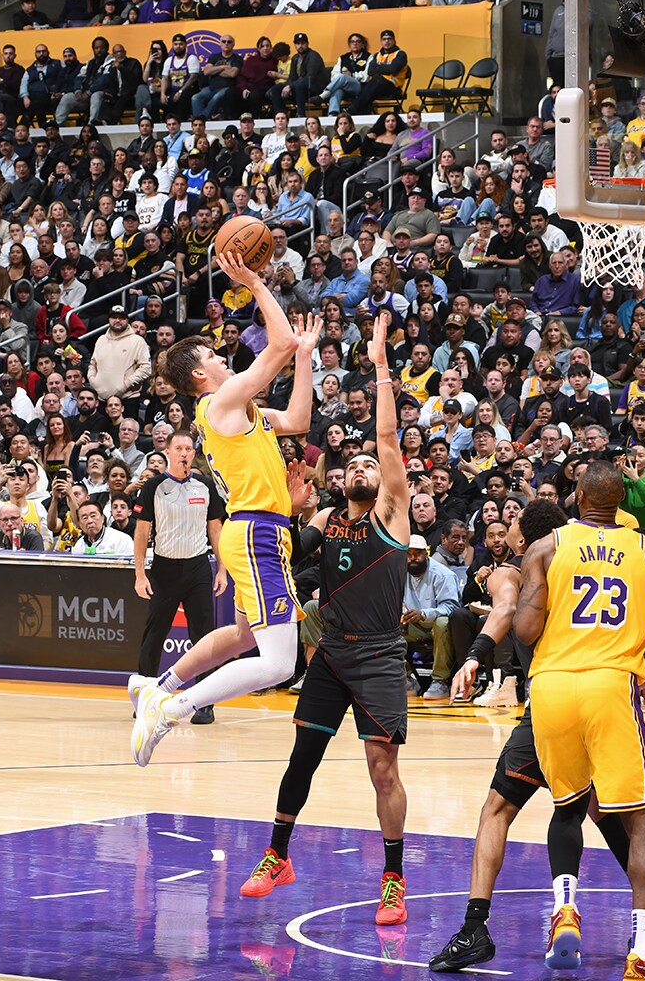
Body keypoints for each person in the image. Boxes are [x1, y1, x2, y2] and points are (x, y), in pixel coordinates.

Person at [431, 499, 645, 973]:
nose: (503, 532)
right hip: (601, 695)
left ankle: (476, 927)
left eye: (510, 527)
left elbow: (507, 612)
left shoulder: (515, 569)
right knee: (609, 808)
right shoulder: (592, 558)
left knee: (500, 809)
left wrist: (475, 655)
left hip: (547, 704)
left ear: (523, 539)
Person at [241, 312, 414, 923]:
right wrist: (289, 512)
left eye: (369, 465)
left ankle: (393, 876)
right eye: (354, 466)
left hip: (379, 655)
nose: (362, 468)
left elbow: (389, 444)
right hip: (332, 653)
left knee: (380, 767)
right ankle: (277, 855)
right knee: (301, 758)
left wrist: (381, 367)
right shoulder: (326, 519)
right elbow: (285, 557)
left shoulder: (392, 517)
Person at [129, 254, 321, 765]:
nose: (223, 357)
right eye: (214, 355)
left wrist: (304, 356)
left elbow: (299, 416)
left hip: (259, 528)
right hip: (256, 534)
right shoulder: (219, 403)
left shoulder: (242, 408)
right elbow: (275, 344)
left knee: (240, 635)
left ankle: (159, 686)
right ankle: (171, 708)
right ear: (199, 373)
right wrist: (255, 281)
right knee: (279, 663)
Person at [513, 461, 645, 979]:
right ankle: (643, 950)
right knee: (639, 817)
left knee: (567, 805)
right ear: (620, 503)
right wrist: (629, 640)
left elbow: (524, 630)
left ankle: (565, 911)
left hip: (551, 687)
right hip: (609, 686)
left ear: (576, 496)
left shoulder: (544, 548)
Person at [132, 429, 227, 722]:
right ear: (168, 453)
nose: (185, 453)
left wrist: (222, 568)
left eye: (189, 448)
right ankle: (145, 697)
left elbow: (216, 529)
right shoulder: (154, 487)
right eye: (179, 448)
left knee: (204, 637)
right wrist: (139, 574)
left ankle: (205, 703)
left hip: (198, 567)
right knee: (154, 633)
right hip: (164, 569)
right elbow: (142, 531)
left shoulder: (205, 486)